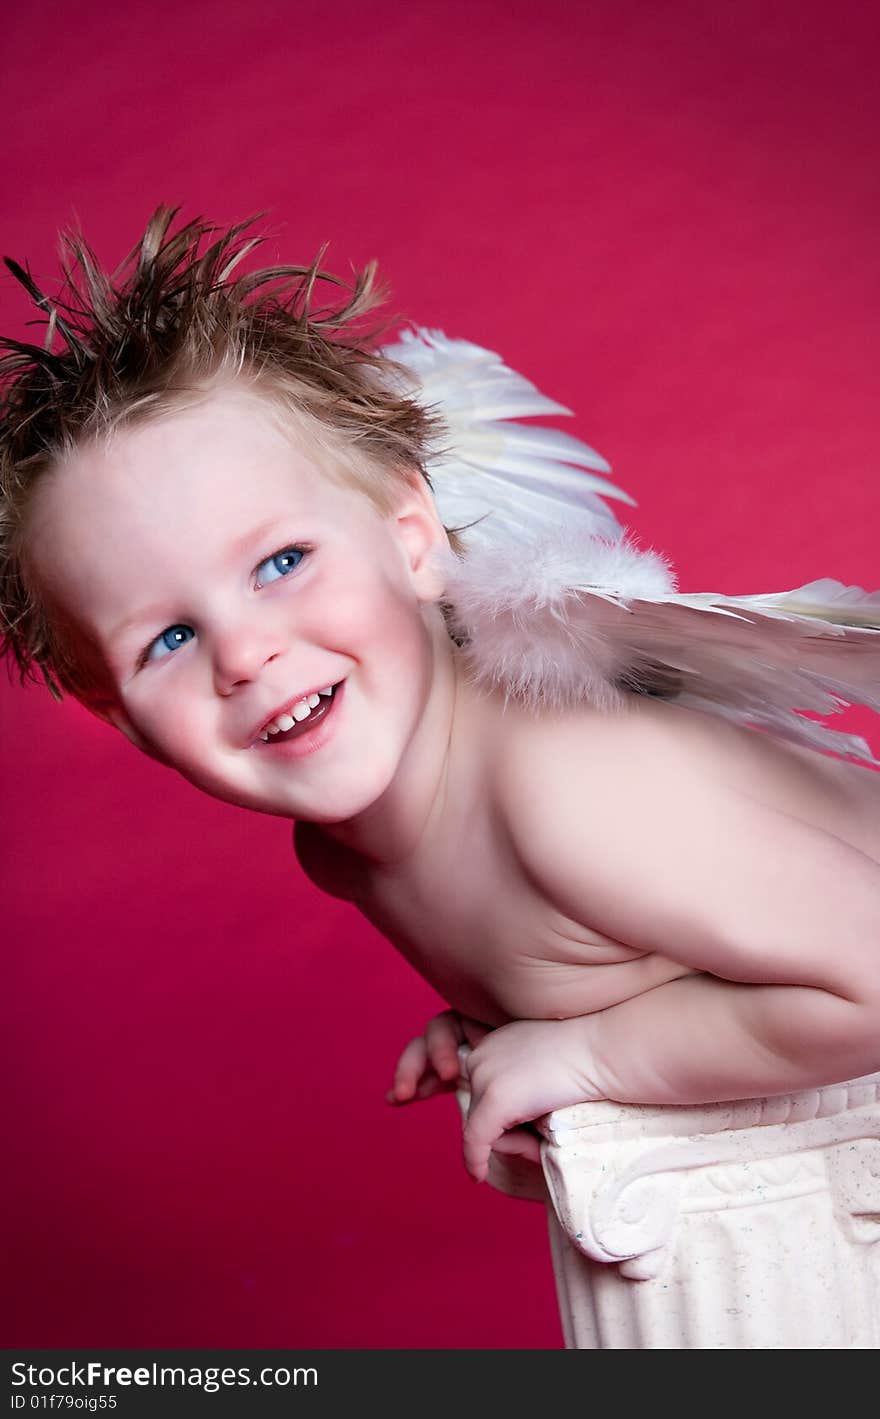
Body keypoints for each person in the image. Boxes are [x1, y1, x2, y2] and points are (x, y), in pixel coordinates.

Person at [3, 207, 880, 1186]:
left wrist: (589, 1054)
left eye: (282, 561)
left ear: (411, 539)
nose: (244, 653)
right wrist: (506, 1021)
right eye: (168, 638)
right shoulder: (341, 846)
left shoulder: (567, 789)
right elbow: (640, 945)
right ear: (124, 723)